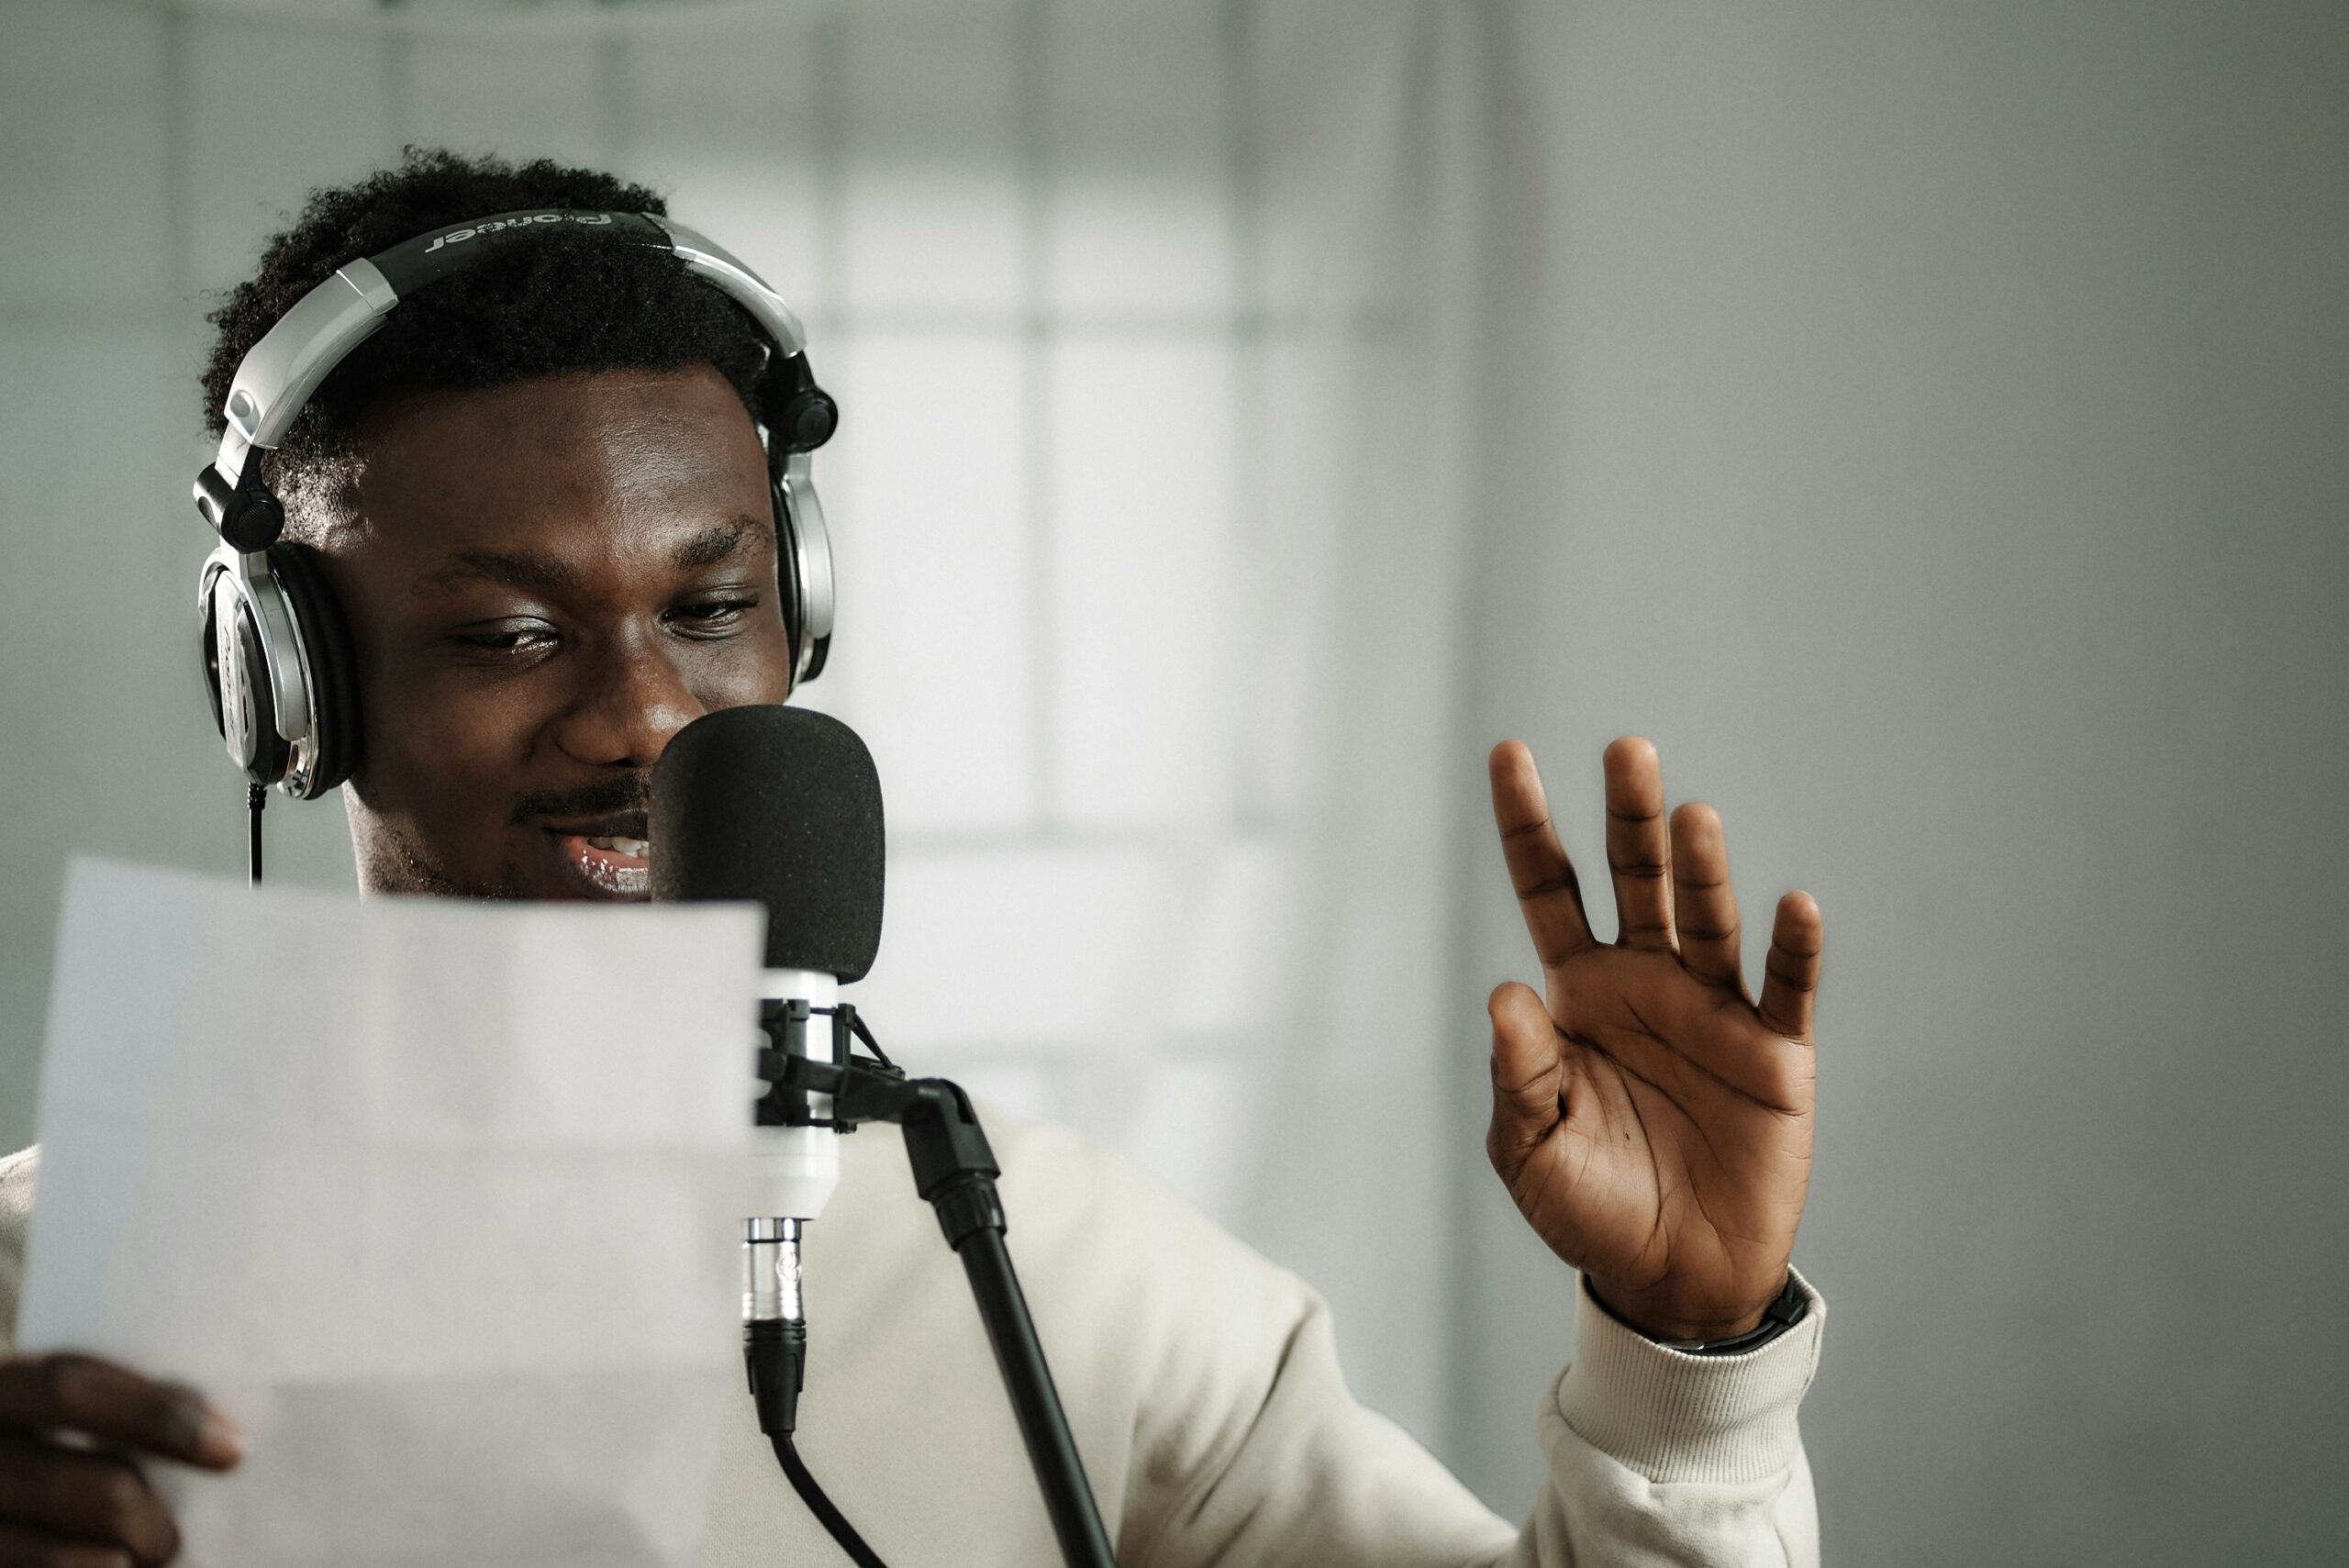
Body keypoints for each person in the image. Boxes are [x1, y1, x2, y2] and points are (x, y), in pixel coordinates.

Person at [0, 150, 1827, 1567]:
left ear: (798, 615)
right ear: (291, 686)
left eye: (709, 606)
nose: (644, 719)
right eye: (507, 635)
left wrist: (1685, 1358)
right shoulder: (36, 1301)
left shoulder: (1052, 1271)